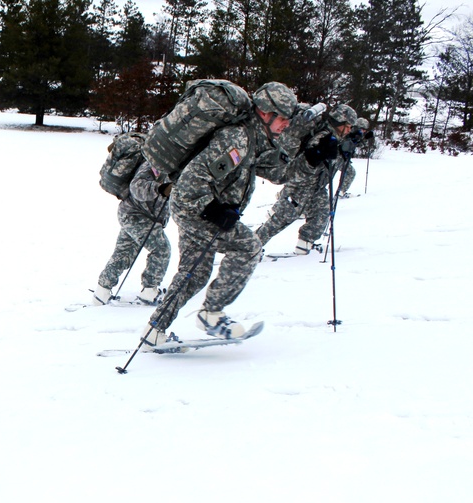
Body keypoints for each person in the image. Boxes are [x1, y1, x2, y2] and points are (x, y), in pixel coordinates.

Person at [143, 81, 299, 347]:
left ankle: (154, 330)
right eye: (282, 118)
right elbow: (191, 181)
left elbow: (278, 173)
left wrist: (311, 157)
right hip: (197, 211)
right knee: (249, 247)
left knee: (194, 274)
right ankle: (211, 314)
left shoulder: (256, 139)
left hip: (199, 211)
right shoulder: (237, 139)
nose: (285, 124)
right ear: (265, 112)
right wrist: (213, 210)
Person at [255, 103, 358, 255]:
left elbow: (335, 164)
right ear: (339, 123)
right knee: (279, 221)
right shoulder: (323, 137)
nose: (349, 129)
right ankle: (252, 246)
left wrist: (348, 148)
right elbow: (307, 163)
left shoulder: (336, 138)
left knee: (320, 216)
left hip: (317, 188)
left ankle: (304, 246)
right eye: (348, 126)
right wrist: (318, 156)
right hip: (301, 187)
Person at [92, 161, 172, 306]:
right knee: (161, 249)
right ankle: (149, 292)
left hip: (133, 215)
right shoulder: (155, 163)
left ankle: (101, 293)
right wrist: (159, 188)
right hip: (136, 215)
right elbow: (136, 187)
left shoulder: (175, 168)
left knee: (124, 254)